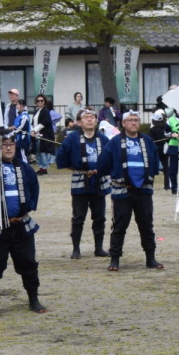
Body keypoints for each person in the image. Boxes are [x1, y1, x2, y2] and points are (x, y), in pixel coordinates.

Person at [96, 110, 164, 272]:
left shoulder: (147, 141)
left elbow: (154, 163)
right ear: (123, 123)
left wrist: (147, 177)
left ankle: (150, 258)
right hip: (122, 191)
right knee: (119, 225)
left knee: (146, 224)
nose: (134, 123)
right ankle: (115, 258)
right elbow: (103, 165)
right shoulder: (114, 142)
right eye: (130, 120)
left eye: (136, 120)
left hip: (144, 191)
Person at [0, 136, 46, 314]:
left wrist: (29, 206)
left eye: (11, 145)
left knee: (28, 262)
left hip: (21, 224)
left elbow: (34, 188)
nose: (9, 148)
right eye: (4, 145)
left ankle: (33, 299)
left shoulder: (25, 167)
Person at [55, 107, 110, 259]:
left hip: (99, 181)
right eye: (86, 117)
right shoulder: (72, 138)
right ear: (79, 122)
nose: (90, 119)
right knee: (78, 217)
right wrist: (74, 168)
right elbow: (61, 156)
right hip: (80, 180)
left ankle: (99, 248)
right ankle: (76, 249)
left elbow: (111, 157)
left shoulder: (103, 139)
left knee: (99, 217)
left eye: (92, 117)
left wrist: (103, 170)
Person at [32, 94, 55, 174]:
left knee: (43, 152)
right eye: (38, 101)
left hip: (44, 135)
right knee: (38, 152)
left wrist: (34, 130)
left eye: (41, 100)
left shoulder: (45, 111)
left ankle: (44, 168)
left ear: (44, 101)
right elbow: (33, 123)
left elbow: (44, 123)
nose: (40, 102)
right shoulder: (36, 111)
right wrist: (32, 130)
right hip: (37, 135)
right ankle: (41, 167)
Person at [149, 108, 171, 190]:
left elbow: (151, 140)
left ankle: (150, 185)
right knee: (166, 167)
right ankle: (167, 185)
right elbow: (168, 138)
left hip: (155, 149)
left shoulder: (152, 129)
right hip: (165, 148)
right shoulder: (166, 127)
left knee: (152, 167)